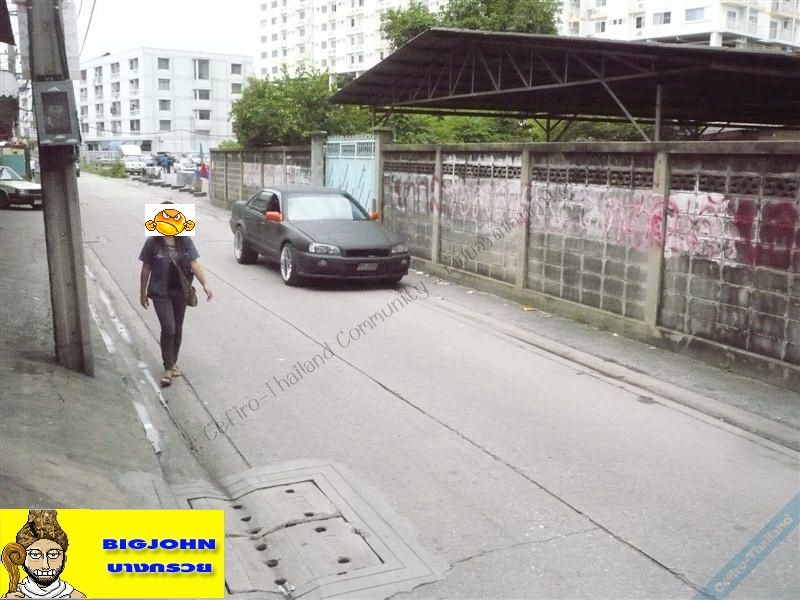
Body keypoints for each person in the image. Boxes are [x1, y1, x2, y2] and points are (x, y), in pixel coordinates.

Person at [138, 205, 213, 387]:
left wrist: (205, 283)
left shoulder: (185, 241)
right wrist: (142, 292)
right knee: (169, 328)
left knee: (177, 329)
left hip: (180, 292)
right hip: (160, 292)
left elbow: (194, 264)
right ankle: (168, 368)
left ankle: (172, 362)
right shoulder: (152, 242)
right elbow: (146, 268)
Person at [3, 509, 86, 598]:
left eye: (53, 555)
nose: (45, 566)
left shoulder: (75, 597)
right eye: (35, 555)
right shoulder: (14, 596)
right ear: (23, 557)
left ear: (64, 558)